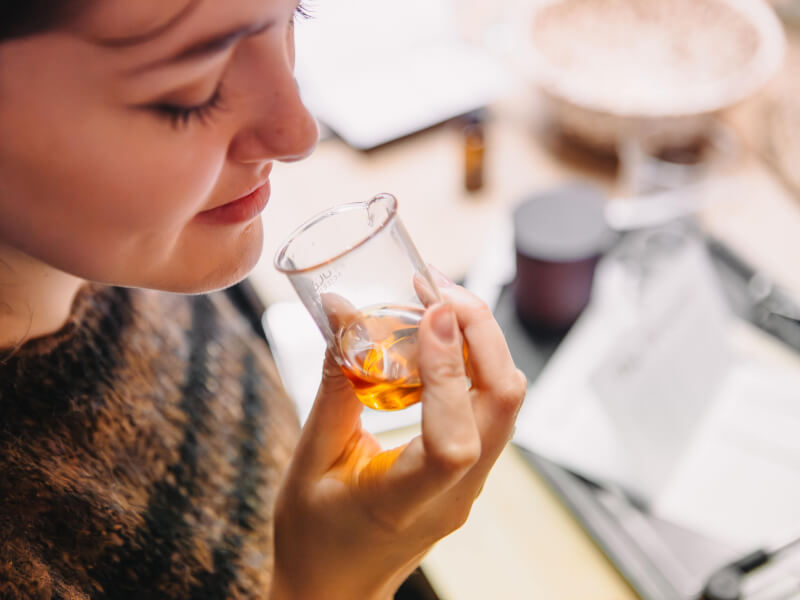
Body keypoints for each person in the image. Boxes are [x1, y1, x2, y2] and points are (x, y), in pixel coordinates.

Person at [0, 1, 527, 598]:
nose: (298, 132)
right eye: (190, 92)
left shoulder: (138, 259)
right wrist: (332, 584)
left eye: (292, 17)